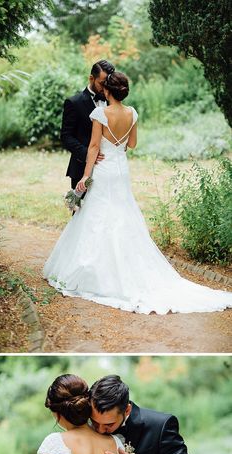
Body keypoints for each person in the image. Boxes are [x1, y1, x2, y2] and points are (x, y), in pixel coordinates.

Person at [43, 70, 232, 315]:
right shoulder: (133, 113)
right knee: (122, 213)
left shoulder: (100, 113)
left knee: (97, 216)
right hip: (121, 170)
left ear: (107, 91)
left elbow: (92, 147)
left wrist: (86, 176)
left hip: (103, 169)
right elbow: (132, 144)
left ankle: (98, 271)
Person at [61, 59, 115, 190]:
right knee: (81, 209)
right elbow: (66, 137)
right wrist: (89, 154)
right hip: (81, 167)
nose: (106, 88)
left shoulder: (113, 101)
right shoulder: (74, 102)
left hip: (108, 167)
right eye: (102, 83)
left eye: (108, 84)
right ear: (91, 78)